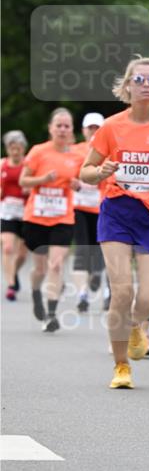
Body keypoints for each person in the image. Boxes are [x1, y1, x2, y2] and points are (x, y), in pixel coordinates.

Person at [80, 57, 149, 389]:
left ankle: (138, 325)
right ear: (127, 85)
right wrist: (102, 172)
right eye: (139, 80)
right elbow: (85, 171)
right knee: (122, 292)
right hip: (118, 212)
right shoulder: (111, 127)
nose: (146, 86)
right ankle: (121, 365)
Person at [19, 109, 81, 332]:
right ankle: (36, 292)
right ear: (50, 128)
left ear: (71, 130)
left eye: (67, 126)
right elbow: (23, 181)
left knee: (55, 264)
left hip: (63, 217)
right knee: (40, 269)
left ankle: (51, 314)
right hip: (36, 217)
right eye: (59, 125)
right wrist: (43, 179)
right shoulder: (38, 152)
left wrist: (77, 184)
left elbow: (82, 180)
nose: (63, 130)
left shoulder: (76, 156)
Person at [71, 113, 105, 312]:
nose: (93, 131)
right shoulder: (74, 151)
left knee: (98, 249)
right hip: (79, 207)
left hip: (101, 207)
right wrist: (73, 183)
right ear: (83, 130)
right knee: (82, 249)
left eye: (96, 128)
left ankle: (95, 274)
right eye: (90, 128)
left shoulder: (107, 151)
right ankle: (82, 294)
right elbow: (64, 175)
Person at [1, 130, 28, 300]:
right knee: (8, 247)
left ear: (23, 148)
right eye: (12, 149)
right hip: (7, 211)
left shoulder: (29, 165)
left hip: (25, 212)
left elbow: (36, 186)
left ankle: (15, 272)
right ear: (7, 149)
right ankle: (11, 285)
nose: (15, 152)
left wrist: (29, 189)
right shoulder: (2, 164)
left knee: (23, 253)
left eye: (18, 148)